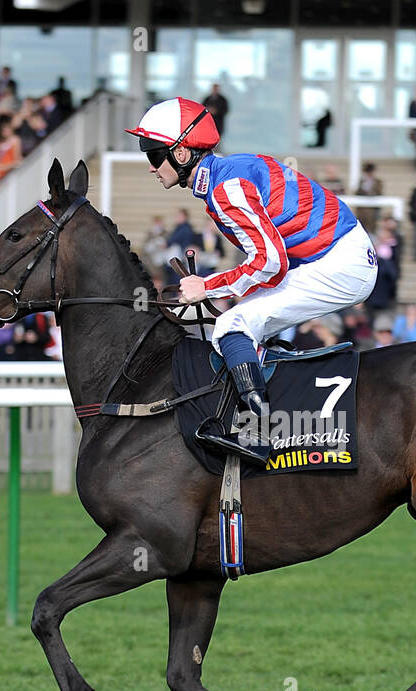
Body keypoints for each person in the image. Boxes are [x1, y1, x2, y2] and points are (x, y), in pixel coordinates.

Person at [127, 97, 377, 464]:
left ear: (181, 154)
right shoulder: (229, 170)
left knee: (232, 325)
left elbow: (270, 262)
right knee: (246, 320)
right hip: (333, 253)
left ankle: (260, 434)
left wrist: (206, 287)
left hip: (339, 262)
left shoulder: (225, 189)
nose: (151, 167)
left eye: (153, 154)